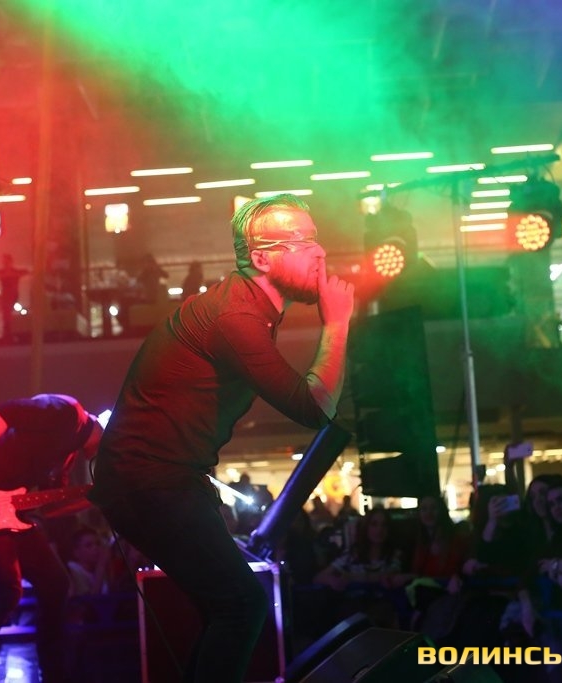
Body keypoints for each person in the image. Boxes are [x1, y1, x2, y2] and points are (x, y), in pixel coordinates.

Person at [90, 193, 355, 682]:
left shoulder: (247, 309)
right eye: (302, 242)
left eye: (315, 239)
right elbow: (314, 406)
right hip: (149, 481)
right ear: (261, 259)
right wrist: (337, 322)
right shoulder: (236, 317)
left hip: (157, 479)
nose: (319, 252)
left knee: (227, 609)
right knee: (240, 605)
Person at [0, 393, 103, 683]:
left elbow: (48, 507)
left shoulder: (68, 453)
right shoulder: (68, 411)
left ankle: (54, 675)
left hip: (10, 511)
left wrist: (94, 498)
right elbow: (2, 412)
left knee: (55, 583)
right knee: (4, 589)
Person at [0, 253, 30, 342]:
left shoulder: (14, 272)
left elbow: (25, 271)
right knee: (6, 315)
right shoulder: (4, 272)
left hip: (13, 296)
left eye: (6, 262)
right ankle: (7, 333)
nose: (5, 264)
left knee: (8, 314)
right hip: (6, 296)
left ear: (10, 262)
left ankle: (11, 332)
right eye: (4, 262)